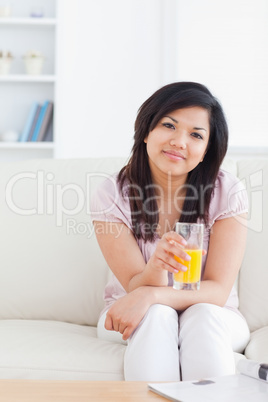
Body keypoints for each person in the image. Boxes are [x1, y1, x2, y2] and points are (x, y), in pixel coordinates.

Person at [90, 82, 250, 382]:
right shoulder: (112, 193)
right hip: (130, 309)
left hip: (214, 312)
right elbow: (134, 287)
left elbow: (216, 290)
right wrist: (156, 269)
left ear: (206, 151)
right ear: (147, 130)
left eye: (196, 135)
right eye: (169, 125)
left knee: (200, 315)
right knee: (156, 317)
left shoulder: (227, 191)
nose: (179, 142)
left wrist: (153, 295)